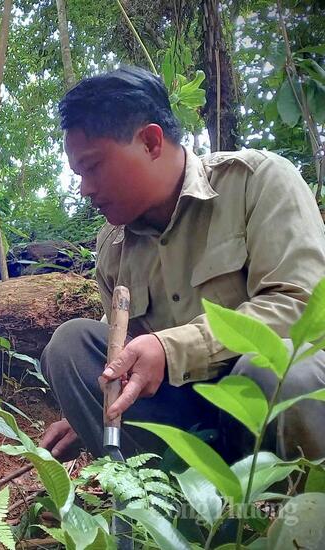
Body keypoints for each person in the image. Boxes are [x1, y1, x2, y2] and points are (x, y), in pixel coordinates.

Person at [39, 65, 325, 463]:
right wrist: (90, 406)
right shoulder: (113, 247)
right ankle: (165, 511)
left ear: (151, 142)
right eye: (78, 174)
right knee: (71, 346)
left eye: (94, 166)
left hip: (273, 404)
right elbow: (127, 355)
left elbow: (302, 309)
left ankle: (295, 516)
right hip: (188, 419)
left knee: (275, 372)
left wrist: (172, 348)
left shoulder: (256, 182)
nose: (86, 188)